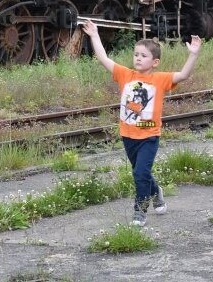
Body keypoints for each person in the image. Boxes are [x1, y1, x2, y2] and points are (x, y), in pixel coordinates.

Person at [81, 18, 202, 226]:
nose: (138, 58)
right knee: (141, 172)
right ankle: (156, 191)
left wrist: (193, 53)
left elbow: (183, 75)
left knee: (140, 173)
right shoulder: (124, 75)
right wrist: (94, 35)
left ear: (154, 62)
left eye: (143, 56)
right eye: (136, 54)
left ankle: (140, 209)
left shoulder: (160, 79)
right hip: (128, 135)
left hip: (149, 136)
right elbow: (103, 58)